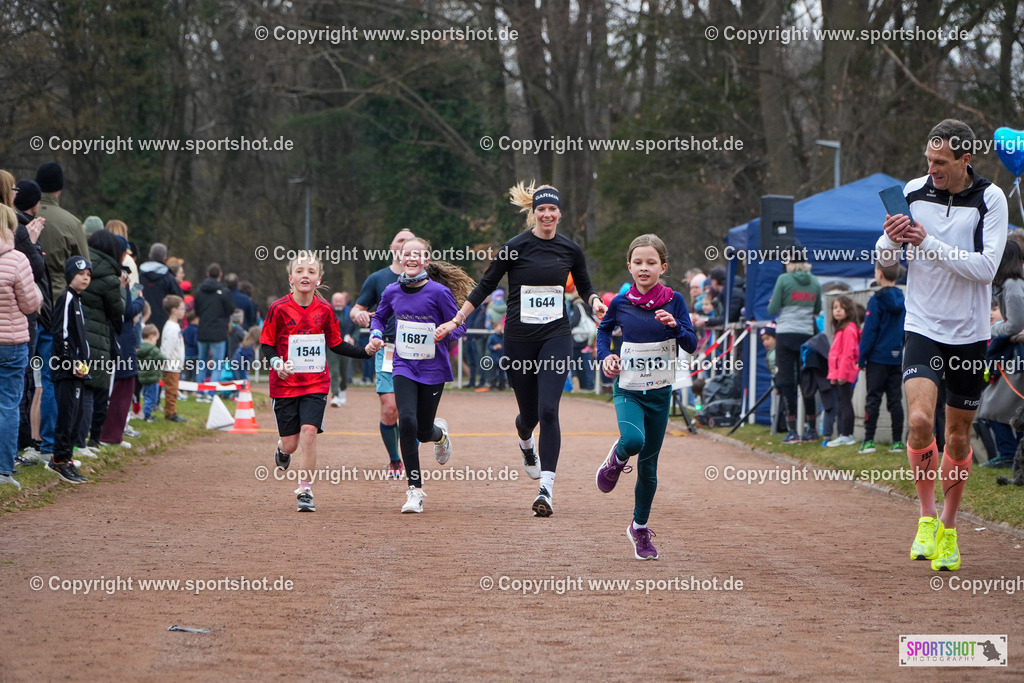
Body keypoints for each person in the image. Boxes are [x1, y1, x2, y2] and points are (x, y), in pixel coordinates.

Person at [877, 118, 1008, 572]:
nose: (931, 169)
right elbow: (886, 260)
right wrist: (890, 240)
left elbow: (986, 269)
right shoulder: (913, 191)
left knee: (956, 436)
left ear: (965, 159)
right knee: (918, 421)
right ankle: (927, 517)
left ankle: (949, 528)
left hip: (969, 332)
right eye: (928, 160)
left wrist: (927, 241)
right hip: (923, 324)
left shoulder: (991, 198)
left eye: (940, 162)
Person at [437, 181, 607, 516]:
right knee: (529, 416)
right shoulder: (514, 247)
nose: (547, 214)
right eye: (541, 209)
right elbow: (485, 286)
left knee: (549, 410)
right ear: (534, 213)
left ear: (559, 213)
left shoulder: (570, 250)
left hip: (556, 335)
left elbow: (585, 285)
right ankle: (526, 441)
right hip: (519, 339)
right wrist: (457, 319)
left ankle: (546, 489)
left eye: (552, 209)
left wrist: (596, 302)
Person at [594, 234, 698, 560]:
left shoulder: (675, 300)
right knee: (633, 441)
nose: (644, 268)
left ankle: (639, 527)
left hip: (659, 393)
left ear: (662, 267)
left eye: (651, 262)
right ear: (629, 266)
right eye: (638, 262)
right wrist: (606, 357)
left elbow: (691, 343)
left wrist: (676, 327)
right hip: (628, 388)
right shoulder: (620, 302)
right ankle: (616, 459)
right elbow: (603, 331)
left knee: (649, 467)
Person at [260, 252, 374, 512]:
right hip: (285, 384)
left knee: (309, 433)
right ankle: (282, 449)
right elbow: (267, 343)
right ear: (291, 278)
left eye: (311, 272)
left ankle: (305, 491)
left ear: (318, 279)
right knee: (291, 443)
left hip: (315, 383)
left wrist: (365, 352)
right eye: (299, 271)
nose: (305, 275)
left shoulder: (324, 310)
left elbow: (336, 343)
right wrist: (277, 364)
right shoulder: (278, 308)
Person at [367, 238, 473, 512]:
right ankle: (414, 491)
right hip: (403, 365)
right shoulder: (392, 290)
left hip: (433, 368)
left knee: (424, 431)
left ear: (426, 260)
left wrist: (447, 330)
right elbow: (379, 317)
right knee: (407, 421)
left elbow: (460, 326)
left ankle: (440, 435)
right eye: (407, 254)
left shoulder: (439, 292)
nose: (412, 258)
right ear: (400, 259)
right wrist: (376, 333)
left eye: (418, 254)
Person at [351, 229, 415, 477]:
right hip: (388, 348)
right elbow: (357, 308)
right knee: (390, 408)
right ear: (391, 247)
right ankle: (395, 460)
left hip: (419, 350)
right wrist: (359, 314)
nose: (405, 244)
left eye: (410, 241)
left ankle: (412, 457)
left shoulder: (428, 278)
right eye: (401, 240)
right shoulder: (378, 279)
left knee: (412, 413)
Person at [0, 205, 42, 490]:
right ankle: (3, 470)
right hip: (11, 343)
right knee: (8, 405)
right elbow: (29, 305)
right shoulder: (17, 260)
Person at [77, 230, 126, 454]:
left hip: (76, 332)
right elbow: (117, 310)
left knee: (76, 390)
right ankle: (84, 442)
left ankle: (73, 441)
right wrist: (122, 289)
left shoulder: (80, 266)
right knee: (92, 389)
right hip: (97, 337)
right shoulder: (110, 278)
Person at [976, 240, 1024, 468]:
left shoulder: (1013, 285)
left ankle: (1008, 454)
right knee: (997, 406)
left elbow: (1015, 325)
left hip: (1016, 356)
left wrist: (990, 329)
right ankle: (1010, 454)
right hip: (1014, 353)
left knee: (991, 405)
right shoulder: (1009, 284)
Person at [767, 249, 822, 443]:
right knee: (807, 381)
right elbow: (817, 309)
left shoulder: (783, 279)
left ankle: (792, 431)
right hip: (806, 335)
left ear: (788, 262)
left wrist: (776, 302)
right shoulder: (814, 281)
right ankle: (812, 429)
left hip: (785, 334)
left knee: (787, 382)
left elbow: (772, 309)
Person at [48, 256, 91, 483]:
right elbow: (61, 334)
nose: (85, 278)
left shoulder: (77, 300)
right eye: (80, 274)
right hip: (67, 369)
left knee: (76, 415)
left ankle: (68, 457)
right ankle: (58, 459)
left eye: (88, 275)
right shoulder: (66, 298)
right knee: (67, 415)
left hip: (79, 369)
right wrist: (70, 362)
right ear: (69, 276)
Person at [858, 262, 906, 453]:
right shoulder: (903, 299)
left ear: (879, 274)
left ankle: (869, 441)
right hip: (896, 357)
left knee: (873, 399)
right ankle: (897, 442)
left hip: (877, 358)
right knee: (895, 400)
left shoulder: (876, 300)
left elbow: (869, 331)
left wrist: (862, 357)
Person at [99, 275, 146, 447]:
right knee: (119, 390)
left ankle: (115, 435)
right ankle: (108, 436)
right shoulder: (115, 283)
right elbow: (126, 311)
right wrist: (140, 301)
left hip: (123, 341)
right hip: (120, 343)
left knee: (124, 390)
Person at [194, 263, 235, 400]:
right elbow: (230, 310)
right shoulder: (223, 292)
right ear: (220, 275)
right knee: (217, 364)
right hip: (218, 333)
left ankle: (200, 393)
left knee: (202, 362)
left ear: (207, 274)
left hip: (203, 331)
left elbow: (197, 310)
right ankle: (211, 393)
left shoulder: (199, 291)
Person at [825, 295, 860, 447]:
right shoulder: (841, 329)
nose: (837, 310)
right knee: (842, 402)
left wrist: (842, 374)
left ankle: (847, 435)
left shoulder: (849, 329)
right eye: (835, 307)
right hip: (840, 373)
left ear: (848, 310)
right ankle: (844, 434)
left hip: (845, 373)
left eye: (841, 307)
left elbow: (847, 354)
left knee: (845, 403)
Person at [139, 243, 183, 333]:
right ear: (164, 258)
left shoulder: (140, 276)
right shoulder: (168, 278)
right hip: (164, 324)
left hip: (143, 321)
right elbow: (179, 299)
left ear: (149, 255)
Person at [160, 295, 187, 423]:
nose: (184, 311)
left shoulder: (175, 326)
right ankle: (170, 413)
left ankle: (171, 411)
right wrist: (165, 363)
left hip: (175, 365)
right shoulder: (172, 327)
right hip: (171, 365)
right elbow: (168, 348)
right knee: (171, 390)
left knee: (174, 389)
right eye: (182, 308)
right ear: (174, 310)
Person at [326, 292, 353, 407]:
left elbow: (356, 328)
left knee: (344, 373)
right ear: (332, 302)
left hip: (346, 347)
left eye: (340, 301)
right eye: (336, 301)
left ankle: (342, 390)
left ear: (344, 301)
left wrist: (352, 337)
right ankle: (335, 395)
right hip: (332, 347)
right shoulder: (328, 312)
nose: (338, 303)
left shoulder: (350, 312)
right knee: (334, 372)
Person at [137, 324, 166, 422]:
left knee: (146, 396)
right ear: (151, 336)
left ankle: (146, 413)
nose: (156, 342)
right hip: (153, 377)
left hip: (143, 377)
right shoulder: (153, 350)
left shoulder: (140, 348)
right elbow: (163, 359)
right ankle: (147, 415)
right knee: (152, 398)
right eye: (156, 339)